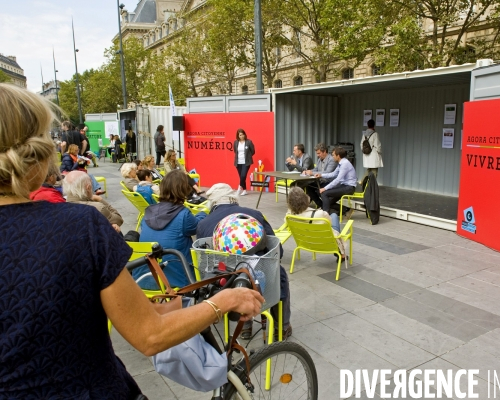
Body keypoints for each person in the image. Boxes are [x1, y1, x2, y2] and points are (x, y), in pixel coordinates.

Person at [0, 83, 265, 398]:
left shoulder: (127, 214)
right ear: (38, 151)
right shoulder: (79, 227)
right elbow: (149, 336)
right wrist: (223, 301)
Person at [196, 183, 292, 341]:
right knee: (278, 273)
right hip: (261, 282)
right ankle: (282, 326)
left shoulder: (203, 224)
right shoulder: (253, 214)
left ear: (212, 203)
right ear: (233, 198)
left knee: (236, 271)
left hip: (224, 284)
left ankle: (245, 327)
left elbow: (206, 260)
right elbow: (277, 251)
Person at [132, 170, 207, 290]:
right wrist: (203, 213)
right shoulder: (183, 215)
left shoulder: (148, 211)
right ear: (184, 190)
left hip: (143, 278)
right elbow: (197, 226)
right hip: (175, 281)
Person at [287, 187, 346, 259]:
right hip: (326, 243)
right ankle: (340, 253)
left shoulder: (289, 216)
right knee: (333, 215)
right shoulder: (320, 214)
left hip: (306, 243)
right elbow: (330, 223)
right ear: (305, 199)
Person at [316, 147, 357, 214]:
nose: (332, 157)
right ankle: (346, 210)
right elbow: (333, 174)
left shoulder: (344, 164)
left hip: (349, 188)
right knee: (327, 201)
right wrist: (321, 175)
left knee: (324, 193)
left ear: (338, 156)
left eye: (333, 155)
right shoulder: (341, 163)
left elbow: (338, 180)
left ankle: (325, 215)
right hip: (344, 186)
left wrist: (325, 188)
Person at [302, 142, 338, 208]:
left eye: (319, 153)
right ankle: (321, 205)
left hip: (330, 182)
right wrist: (308, 171)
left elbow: (327, 172)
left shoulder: (332, 160)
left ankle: (326, 207)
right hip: (321, 181)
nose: (317, 155)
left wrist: (312, 173)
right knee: (309, 187)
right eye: (317, 153)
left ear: (324, 151)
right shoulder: (319, 159)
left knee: (320, 192)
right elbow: (316, 169)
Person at [232, 128, 255, 196]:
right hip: (238, 162)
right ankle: (244, 190)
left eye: (242, 134)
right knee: (241, 177)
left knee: (243, 175)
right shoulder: (236, 142)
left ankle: (239, 188)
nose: (242, 136)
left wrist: (248, 156)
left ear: (245, 134)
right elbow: (235, 151)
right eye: (240, 135)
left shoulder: (249, 142)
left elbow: (253, 151)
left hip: (246, 162)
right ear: (238, 136)